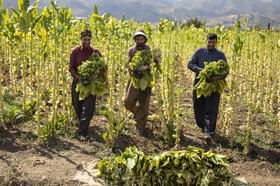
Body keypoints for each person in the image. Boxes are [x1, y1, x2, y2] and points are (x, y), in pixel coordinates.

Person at [188, 33, 228, 143]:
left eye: (213, 42)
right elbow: (190, 64)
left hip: (214, 85)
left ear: (216, 42)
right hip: (200, 83)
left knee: (212, 108)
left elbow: (226, 71)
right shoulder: (199, 52)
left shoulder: (220, 55)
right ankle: (202, 125)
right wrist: (202, 71)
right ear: (206, 41)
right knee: (198, 105)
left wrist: (217, 77)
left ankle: (209, 132)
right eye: (209, 42)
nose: (211, 44)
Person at [69, 29, 102, 141]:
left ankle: (83, 132)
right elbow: (71, 68)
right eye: (85, 39)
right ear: (81, 39)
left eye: (89, 40)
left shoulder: (95, 52)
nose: (87, 42)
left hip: (91, 83)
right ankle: (82, 122)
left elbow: (103, 67)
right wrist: (78, 77)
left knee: (88, 107)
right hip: (78, 82)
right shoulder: (75, 52)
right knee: (77, 105)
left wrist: (96, 75)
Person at [124, 30, 158, 136]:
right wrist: (133, 71)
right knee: (127, 101)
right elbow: (129, 63)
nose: (140, 41)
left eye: (141, 39)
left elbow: (156, 63)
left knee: (144, 103)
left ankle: (141, 126)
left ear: (145, 40)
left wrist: (147, 67)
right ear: (135, 40)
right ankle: (137, 113)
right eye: (138, 39)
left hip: (146, 78)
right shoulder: (131, 50)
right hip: (134, 78)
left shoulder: (149, 50)